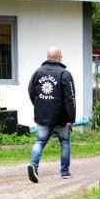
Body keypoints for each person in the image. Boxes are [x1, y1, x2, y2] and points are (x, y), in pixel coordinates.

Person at [27, 47, 76, 183]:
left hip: (42, 115)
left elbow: (31, 92)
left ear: (47, 57)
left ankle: (33, 165)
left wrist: (39, 106)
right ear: (60, 57)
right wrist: (71, 118)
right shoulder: (64, 73)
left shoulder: (37, 72)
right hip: (61, 118)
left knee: (40, 141)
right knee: (64, 142)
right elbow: (70, 98)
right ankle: (65, 171)